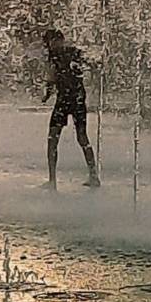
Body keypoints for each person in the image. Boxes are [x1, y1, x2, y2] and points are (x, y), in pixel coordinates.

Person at [43, 28, 99, 190]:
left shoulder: (61, 55)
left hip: (68, 99)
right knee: (77, 137)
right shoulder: (72, 53)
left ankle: (53, 180)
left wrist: (47, 93)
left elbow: (52, 77)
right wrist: (47, 94)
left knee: (57, 138)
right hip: (74, 98)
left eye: (54, 41)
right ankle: (92, 176)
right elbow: (90, 67)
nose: (52, 45)